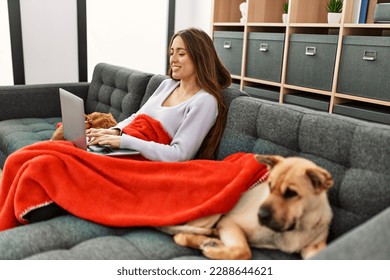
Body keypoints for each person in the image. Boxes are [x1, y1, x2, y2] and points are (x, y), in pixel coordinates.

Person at [87, 27, 231, 161]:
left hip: (144, 159)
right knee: (70, 148)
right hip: (126, 146)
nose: (173, 59)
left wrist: (124, 141)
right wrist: (115, 131)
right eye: (171, 53)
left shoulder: (205, 101)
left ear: (200, 58)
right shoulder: (167, 85)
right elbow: (136, 117)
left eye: (181, 53)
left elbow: (179, 154)